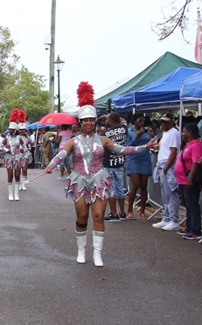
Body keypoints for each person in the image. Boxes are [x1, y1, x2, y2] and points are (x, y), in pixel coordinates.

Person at [44, 82, 148, 267]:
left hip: (99, 180)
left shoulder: (103, 140)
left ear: (95, 121)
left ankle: (97, 253)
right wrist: (52, 165)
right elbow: (62, 153)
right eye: (85, 120)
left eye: (91, 120)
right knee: (82, 217)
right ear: (81, 122)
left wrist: (145, 147)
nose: (89, 123)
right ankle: (81, 250)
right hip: (79, 180)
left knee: (99, 215)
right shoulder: (74, 141)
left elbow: (123, 150)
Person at [147, 115, 182, 232]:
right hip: (162, 165)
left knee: (171, 194)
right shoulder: (165, 133)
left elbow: (173, 152)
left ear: (171, 122)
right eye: (161, 122)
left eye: (165, 122)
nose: (162, 124)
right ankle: (166, 217)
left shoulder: (173, 133)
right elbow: (161, 147)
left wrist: (166, 168)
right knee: (165, 194)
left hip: (168, 165)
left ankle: (174, 220)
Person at [174, 122, 202, 239]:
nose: (182, 134)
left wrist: (190, 178)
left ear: (190, 133)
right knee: (188, 205)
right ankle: (189, 227)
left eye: (184, 131)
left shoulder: (196, 145)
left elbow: (196, 163)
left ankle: (195, 230)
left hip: (189, 180)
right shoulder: (188, 145)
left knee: (192, 205)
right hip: (182, 180)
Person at [125, 113, 153, 219]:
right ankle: (130, 210)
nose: (142, 122)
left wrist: (152, 135)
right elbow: (127, 147)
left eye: (143, 120)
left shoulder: (146, 131)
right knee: (135, 184)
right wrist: (137, 137)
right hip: (133, 159)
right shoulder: (129, 131)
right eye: (139, 120)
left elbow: (152, 143)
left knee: (144, 185)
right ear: (134, 121)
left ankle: (142, 210)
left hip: (145, 159)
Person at [102, 112, 128, 221]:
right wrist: (112, 116)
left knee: (111, 190)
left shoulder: (105, 134)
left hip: (109, 163)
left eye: (107, 119)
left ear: (111, 121)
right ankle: (122, 213)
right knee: (120, 188)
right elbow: (123, 121)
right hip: (120, 162)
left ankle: (114, 214)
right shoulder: (124, 128)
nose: (106, 121)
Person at [0, 109, 28, 201]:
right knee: (10, 175)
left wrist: (22, 150)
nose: (9, 130)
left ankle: (16, 194)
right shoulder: (6, 138)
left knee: (17, 175)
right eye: (9, 129)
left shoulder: (19, 138)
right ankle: (10, 194)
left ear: (15, 130)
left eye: (11, 129)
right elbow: (0, 147)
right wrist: (6, 150)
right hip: (8, 158)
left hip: (17, 158)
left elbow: (25, 147)